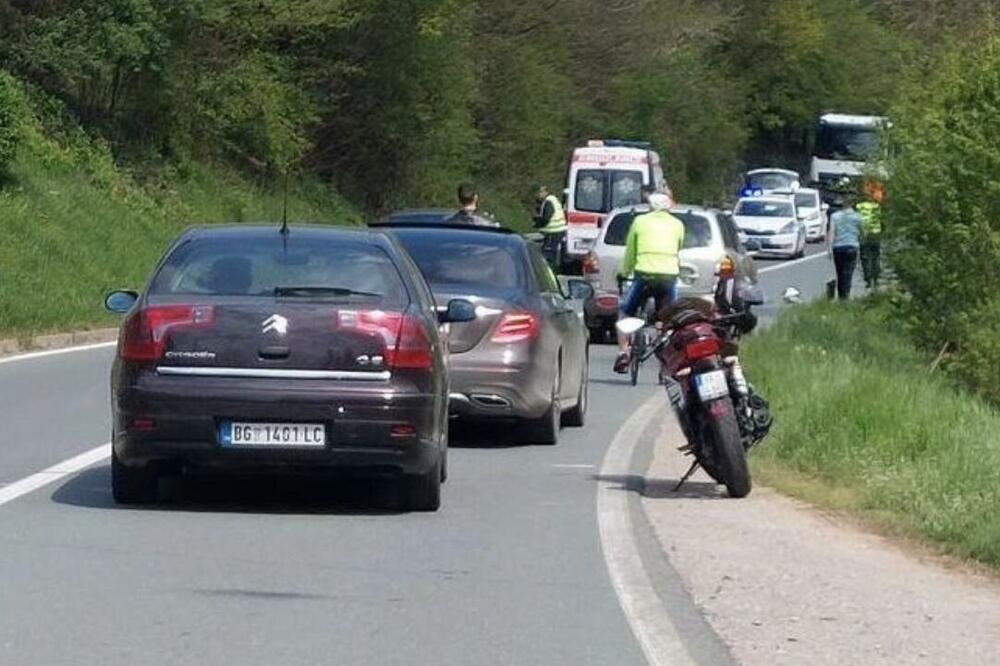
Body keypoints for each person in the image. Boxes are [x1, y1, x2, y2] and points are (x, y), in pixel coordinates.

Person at [613, 192, 685, 374]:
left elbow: (631, 251)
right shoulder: (678, 225)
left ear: (651, 206)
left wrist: (624, 272)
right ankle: (666, 361)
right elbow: (678, 248)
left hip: (644, 275)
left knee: (625, 313)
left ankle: (623, 353)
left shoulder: (640, 222)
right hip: (668, 277)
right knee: (667, 320)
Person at [828, 193, 864, 300]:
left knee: (839, 273)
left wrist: (829, 247)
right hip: (852, 246)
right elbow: (863, 232)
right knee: (848, 273)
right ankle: (845, 297)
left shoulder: (835, 216)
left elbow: (832, 232)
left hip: (838, 247)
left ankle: (841, 296)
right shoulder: (858, 217)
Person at [857, 180, 885, 289]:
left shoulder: (859, 206)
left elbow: (858, 220)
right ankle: (876, 278)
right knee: (875, 256)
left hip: (864, 234)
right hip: (875, 234)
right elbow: (882, 220)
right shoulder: (877, 207)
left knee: (864, 257)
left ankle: (868, 279)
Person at [533, 185, 568, 270]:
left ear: (546, 192)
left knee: (548, 253)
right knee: (553, 252)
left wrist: (538, 224)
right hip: (558, 230)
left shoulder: (548, 202)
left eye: (540, 193)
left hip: (554, 231)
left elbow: (546, 217)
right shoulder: (553, 199)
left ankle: (548, 270)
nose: (538, 195)